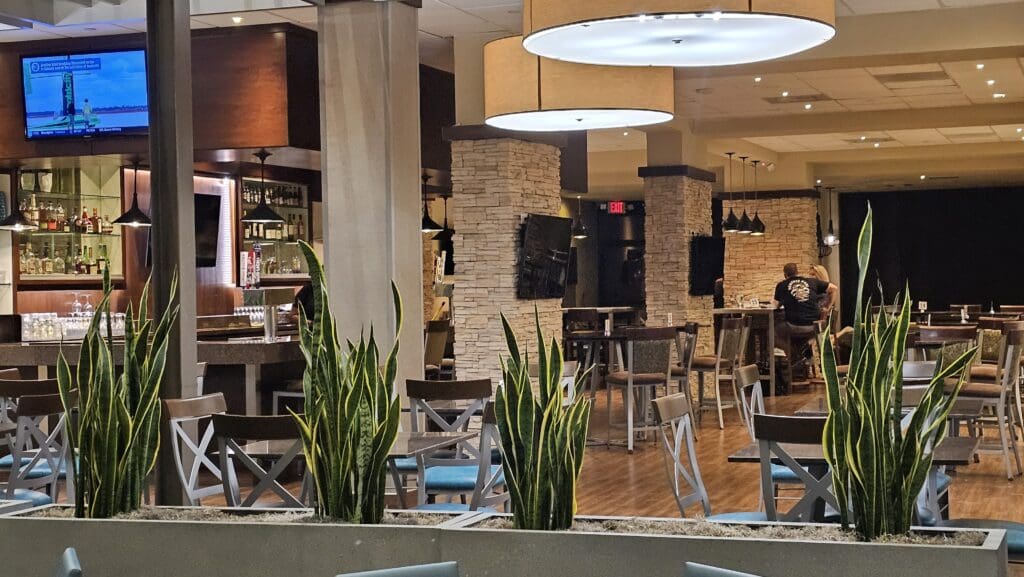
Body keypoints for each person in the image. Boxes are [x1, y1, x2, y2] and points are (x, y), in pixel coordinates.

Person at [772, 263, 837, 326]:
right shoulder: (813, 284)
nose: (811, 276)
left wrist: (827, 307)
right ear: (797, 272)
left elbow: (776, 305)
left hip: (809, 324)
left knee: (776, 327)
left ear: (785, 275)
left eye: (813, 274)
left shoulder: (821, 292)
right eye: (810, 274)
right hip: (814, 324)